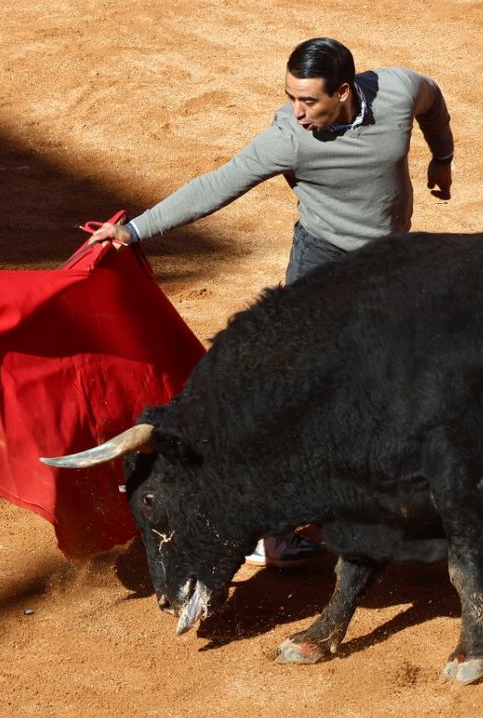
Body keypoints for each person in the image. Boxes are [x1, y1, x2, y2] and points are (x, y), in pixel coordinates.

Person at [86, 37, 457, 567]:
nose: (295, 111)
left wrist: (441, 156)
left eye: (308, 101)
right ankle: (274, 532)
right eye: (290, 97)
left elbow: (432, 98)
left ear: (345, 91)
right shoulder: (289, 138)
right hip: (320, 267)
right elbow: (217, 185)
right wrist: (134, 231)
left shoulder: (396, 90)